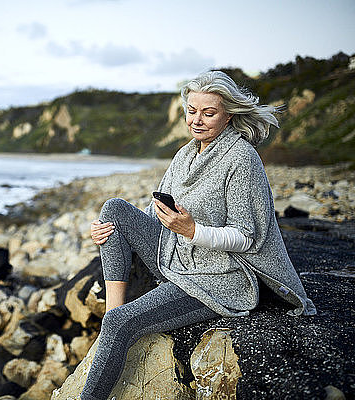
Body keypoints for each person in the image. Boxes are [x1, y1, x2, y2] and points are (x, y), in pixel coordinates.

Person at [80, 70, 317, 400]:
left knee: (124, 323)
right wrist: (108, 231)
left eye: (209, 113)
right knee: (115, 210)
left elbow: (247, 236)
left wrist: (193, 231)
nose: (198, 120)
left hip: (221, 278)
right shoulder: (186, 154)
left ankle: (106, 348)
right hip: (180, 257)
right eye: (192, 111)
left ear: (228, 113)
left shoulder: (241, 158)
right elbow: (156, 215)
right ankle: (111, 317)